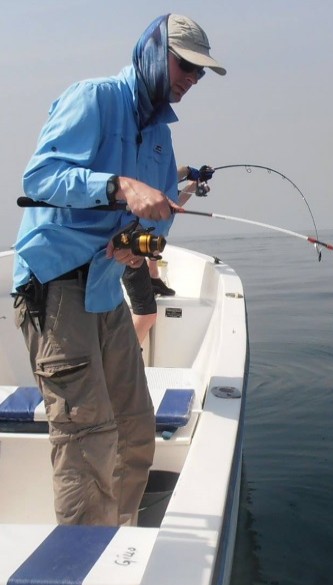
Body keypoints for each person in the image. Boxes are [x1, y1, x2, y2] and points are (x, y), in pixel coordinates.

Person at [11, 14, 226, 526]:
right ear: (153, 51)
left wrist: (136, 247)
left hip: (106, 293)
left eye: (200, 73)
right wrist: (117, 187)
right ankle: (89, 565)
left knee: (134, 430)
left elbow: (162, 209)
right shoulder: (94, 97)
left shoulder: (159, 136)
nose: (192, 79)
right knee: (88, 441)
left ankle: (118, 536)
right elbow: (40, 177)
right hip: (57, 287)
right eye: (185, 65)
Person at [123, 164, 213, 345]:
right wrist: (188, 171)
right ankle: (126, 359)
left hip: (141, 250)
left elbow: (176, 203)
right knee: (146, 313)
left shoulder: (163, 194)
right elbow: (172, 178)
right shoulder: (149, 186)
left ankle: (154, 279)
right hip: (130, 250)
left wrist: (195, 182)